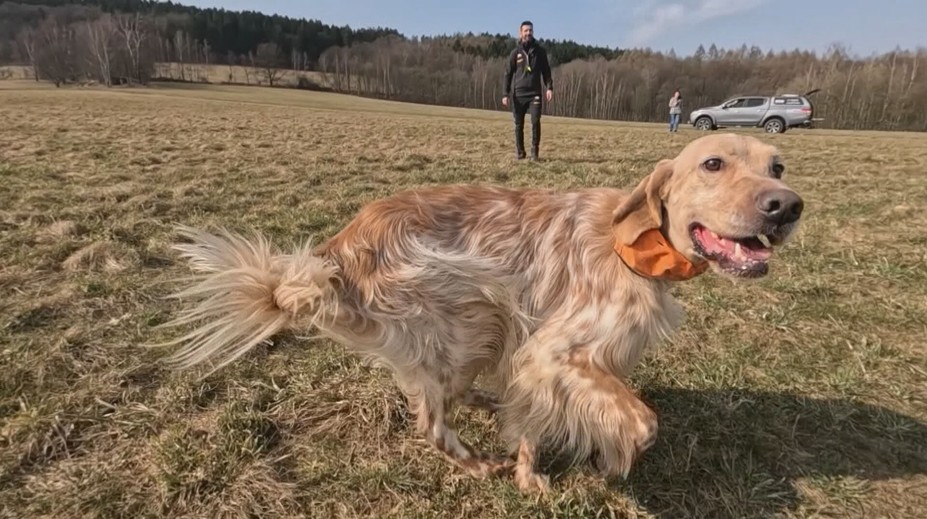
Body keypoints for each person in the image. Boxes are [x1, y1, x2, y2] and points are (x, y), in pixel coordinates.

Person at [502, 20, 553, 161]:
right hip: (518, 95)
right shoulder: (515, 53)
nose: (528, 33)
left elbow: (546, 71)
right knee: (519, 124)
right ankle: (520, 152)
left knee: (536, 121)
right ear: (521, 33)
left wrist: (549, 87)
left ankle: (534, 152)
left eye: (530, 30)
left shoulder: (540, 52)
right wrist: (505, 93)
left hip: (535, 94)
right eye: (526, 31)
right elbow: (508, 73)